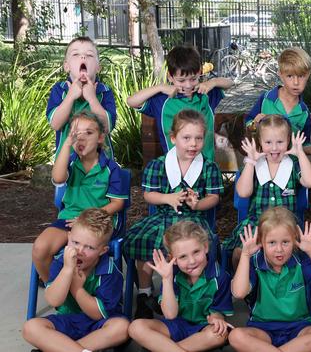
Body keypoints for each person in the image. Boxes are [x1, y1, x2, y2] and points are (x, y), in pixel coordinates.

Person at [124, 110, 223, 319]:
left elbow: (214, 198)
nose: (193, 144)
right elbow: (149, 195)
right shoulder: (159, 165)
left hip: (193, 220)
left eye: (198, 138)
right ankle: (145, 293)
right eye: (186, 138)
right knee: (144, 241)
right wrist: (167, 198)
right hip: (163, 217)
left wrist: (197, 205)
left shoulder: (209, 167)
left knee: (199, 242)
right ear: (173, 138)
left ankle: (190, 293)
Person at [32, 111, 127, 282]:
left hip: (98, 223)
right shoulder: (70, 162)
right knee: (40, 248)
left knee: (83, 254)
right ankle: (55, 289)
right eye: (76, 134)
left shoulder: (111, 169)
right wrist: (66, 144)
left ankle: (81, 289)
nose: (81, 138)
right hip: (69, 220)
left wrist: (87, 219)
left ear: (100, 137)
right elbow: (58, 177)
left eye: (88, 133)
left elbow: (117, 203)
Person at [229, 207, 311, 352]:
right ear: (261, 242)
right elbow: (239, 293)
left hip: (298, 328)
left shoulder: (301, 261)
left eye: (285, 242)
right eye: (272, 242)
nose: (279, 249)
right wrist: (245, 255)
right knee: (236, 336)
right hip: (262, 328)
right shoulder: (255, 263)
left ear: (294, 240)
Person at [23, 208, 130, 352]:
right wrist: (67, 270)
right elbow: (54, 301)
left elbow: (97, 314)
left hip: (98, 326)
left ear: (103, 250)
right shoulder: (61, 263)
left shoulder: (110, 272)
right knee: (31, 327)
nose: (80, 251)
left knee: (122, 327)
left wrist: (77, 289)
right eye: (75, 243)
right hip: (67, 321)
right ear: (68, 237)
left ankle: (61, 348)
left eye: (89, 247)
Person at [222, 114, 311, 267]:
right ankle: (244, 287)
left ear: (288, 141)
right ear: (260, 142)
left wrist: (300, 153)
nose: (274, 148)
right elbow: (243, 192)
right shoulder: (255, 164)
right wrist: (250, 161)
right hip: (257, 223)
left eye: (280, 142)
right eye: (268, 142)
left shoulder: (293, 164)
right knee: (239, 253)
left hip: (286, 225)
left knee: (288, 253)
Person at [128, 221, 233, 352]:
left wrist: (217, 317)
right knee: (135, 327)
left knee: (219, 335)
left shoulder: (220, 277)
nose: (192, 261)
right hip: (176, 325)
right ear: (173, 259)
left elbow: (219, 312)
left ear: (206, 247)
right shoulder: (173, 275)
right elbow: (170, 315)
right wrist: (166, 279)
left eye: (196, 252)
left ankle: (163, 348)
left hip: (204, 328)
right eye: (183, 256)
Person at [127, 44, 234, 162]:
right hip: (175, 170)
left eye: (193, 79)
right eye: (181, 80)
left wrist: (212, 82)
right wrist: (160, 87)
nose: (188, 85)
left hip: (206, 168)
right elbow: (132, 101)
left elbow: (230, 83)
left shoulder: (206, 94)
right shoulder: (162, 100)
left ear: (199, 72)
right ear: (170, 77)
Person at [46, 36, 116, 159]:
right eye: (75, 54)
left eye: (89, 55)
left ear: (97, 67)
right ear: (66, 66)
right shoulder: (60, 89)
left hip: (100, 165)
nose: (83, 57)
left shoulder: (104, 91)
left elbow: (107, 127)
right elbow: (55, 124)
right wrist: (70, 96)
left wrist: (92, 99)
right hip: (67, 163)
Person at [245, 47, 311, 155]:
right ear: (280, 74)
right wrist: (254, 125)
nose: (296, 82)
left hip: (291, 168)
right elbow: (249, 124)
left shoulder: (304, 113)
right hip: (264, 163)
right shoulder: (266, 99)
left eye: (301, 76)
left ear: (308, 74)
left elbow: (304, 146)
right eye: (290, 76)